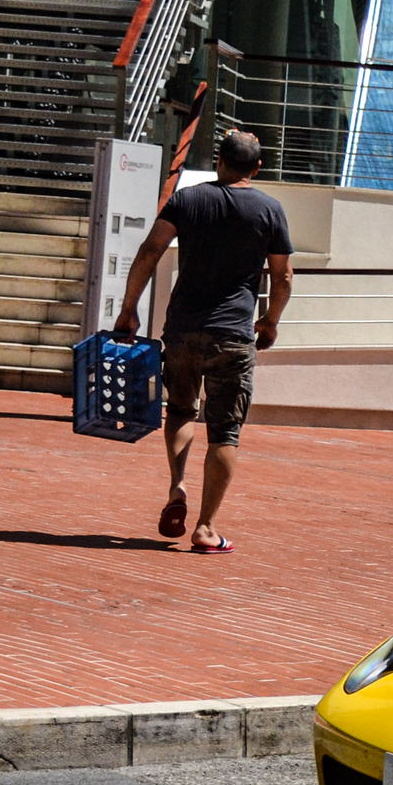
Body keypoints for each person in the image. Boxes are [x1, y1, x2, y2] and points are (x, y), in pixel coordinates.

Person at [114, 130, 294, 553]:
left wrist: (129, 308)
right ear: (257, 168)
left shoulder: (187, 199)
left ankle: (177, 485)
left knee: (179, 409)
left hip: (182, 328)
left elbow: (149, 251)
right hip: (233, 333)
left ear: (219, 161)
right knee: (225, 431)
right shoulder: (270, 209)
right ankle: (206, 527)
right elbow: (282, 276)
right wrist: (269, 321)